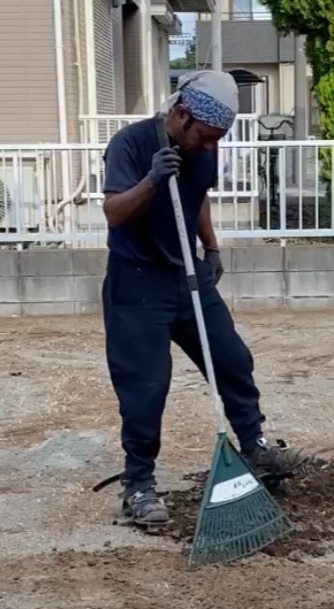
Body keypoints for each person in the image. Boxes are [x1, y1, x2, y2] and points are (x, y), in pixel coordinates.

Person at [100, 70, 311, 530]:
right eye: (206, 136)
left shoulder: (201, 149)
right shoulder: (131, 144)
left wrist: (211, 247)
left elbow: (196, 200)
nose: (211, 146)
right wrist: (153, 180)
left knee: (232, 358)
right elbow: (114, 213)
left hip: (187, 274)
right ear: (180, 114)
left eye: (218, 139)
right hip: (136, 283)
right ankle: (138, 485)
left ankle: (254, 447)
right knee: (146, 387)